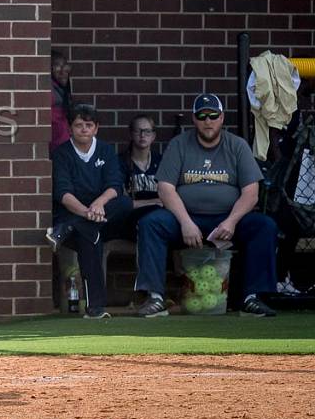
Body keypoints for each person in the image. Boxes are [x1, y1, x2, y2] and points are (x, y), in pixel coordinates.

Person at [135, 94, 279, 317]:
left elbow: (251, 194)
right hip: (185, 218)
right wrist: (185, 222)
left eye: (213, 115)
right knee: (151, 223)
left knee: (264, 226)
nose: (208, 121)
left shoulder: (237, 146)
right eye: (202, 116)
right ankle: (155, 297)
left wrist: (231, 222)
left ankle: (252, 298)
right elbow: (165, 188)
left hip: (228, 219)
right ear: (194, 119)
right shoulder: (179, 144)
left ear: (222, 118)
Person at [46, 104, 133, 319]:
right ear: (70, 128)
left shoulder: (105, 150)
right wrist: (86, 213)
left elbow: (115, 186)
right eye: (78, 125)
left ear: (96, 128)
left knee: (124, 203)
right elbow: (63, 193)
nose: (83, 129)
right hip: (74, 212)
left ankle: (67, 229)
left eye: (88, 125)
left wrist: (98, 205)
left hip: (101, 211)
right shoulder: (62, 153)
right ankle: (95, 309)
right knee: (91, 236)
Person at [118, 114, 165, 231]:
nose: (142, 135)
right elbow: (122, 204)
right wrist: (155, 202)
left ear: (153, 136)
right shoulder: (120, 162)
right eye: (138, 131)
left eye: (147, 131)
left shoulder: (162, 161)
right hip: (130, 217)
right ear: (131, 134)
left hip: (159, 215)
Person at [50, 49, 73, 153]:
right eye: (57, 66)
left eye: (65, 65)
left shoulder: (61, 91)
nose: (63, 70)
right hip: (56, 149)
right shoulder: (48, 91)